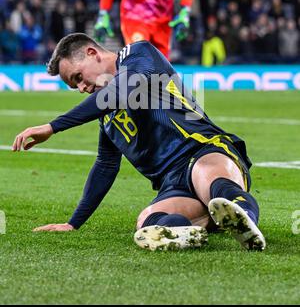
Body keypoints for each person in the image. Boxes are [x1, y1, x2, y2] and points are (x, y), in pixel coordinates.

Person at [12, 33, 266, 252]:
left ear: (92, 53)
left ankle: (245, 219)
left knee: (205, 174)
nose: (80, 88)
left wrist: (53, 126)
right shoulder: (108, 116)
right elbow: (105, 166)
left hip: (204, 150)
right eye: (74, 85)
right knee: (148, 221)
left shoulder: (138, 54)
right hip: (173, 184)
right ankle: (190, 232)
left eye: (78, 77)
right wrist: (73, 223)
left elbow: (121, 91)